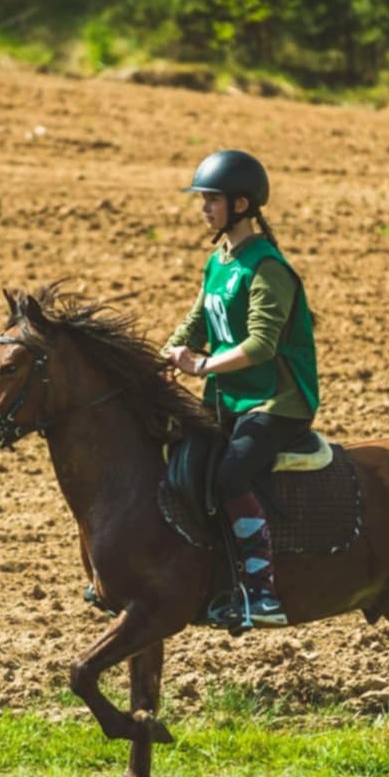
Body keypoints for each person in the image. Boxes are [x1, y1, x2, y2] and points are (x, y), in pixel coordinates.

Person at [160, 148, 319, 629]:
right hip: (230, 398)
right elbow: (197, 319)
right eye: (203, 199)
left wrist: (203, 365)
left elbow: (261, 344)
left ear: (242, 205)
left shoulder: (267, 268)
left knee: (231, 476)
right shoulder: (220, 260)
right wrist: (168, 352)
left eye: (212, 199)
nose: (204, 207)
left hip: (276, 401)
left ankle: (261, 591)